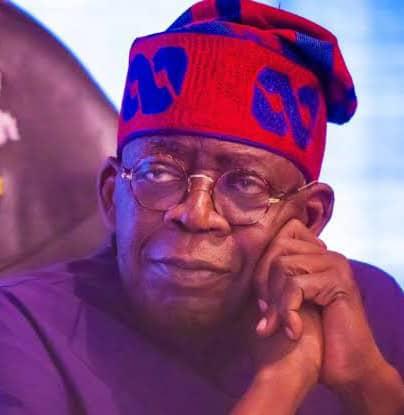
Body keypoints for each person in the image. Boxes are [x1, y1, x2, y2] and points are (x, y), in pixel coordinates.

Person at [0, 0, 403, 413]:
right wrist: (283, 378)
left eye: (245, 184)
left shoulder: (361, 308)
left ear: (308, 216)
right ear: (110, 195)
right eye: (158, 173)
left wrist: (365, 378)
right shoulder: (24, 326)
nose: (195, 214)